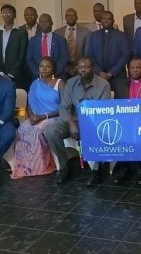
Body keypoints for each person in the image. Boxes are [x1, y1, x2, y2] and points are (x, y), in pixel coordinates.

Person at [43, 56, 111, 185]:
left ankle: (96, 171)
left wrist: (87, 126)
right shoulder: (71, 83)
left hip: (94, 122)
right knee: (51, 132)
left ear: (92, 68)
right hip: (73, 121)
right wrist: (71, 123)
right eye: (80, 67)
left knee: (99, 132)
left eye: (86, 67)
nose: (83, 70)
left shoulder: (104, 85)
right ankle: (64, 166)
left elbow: (104, 111)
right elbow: (64, 107)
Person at [11, 57, 63, 179]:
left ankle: (40, 166)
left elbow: (64, 107)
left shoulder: (59, 83)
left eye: (48, 66)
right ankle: (25, 165)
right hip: (36, 117)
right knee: (22, 129)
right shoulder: (35, 83)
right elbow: (29, 104)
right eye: (41, 66)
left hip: (54, 117)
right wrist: (32, 117)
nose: (44, 69)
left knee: (37, 131)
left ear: (53, 69)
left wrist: (43, 116)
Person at [112, 57, 141, 185]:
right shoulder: (120, 84)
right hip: (125, 121)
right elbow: (116, 107)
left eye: (138, 67)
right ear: (128, 69)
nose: (135, 70)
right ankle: (124, 169)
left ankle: (140, 171)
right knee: (121, 134)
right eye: (132, 67)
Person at [85, 11, 130, 90]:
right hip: (97, 76)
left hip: (117, 76)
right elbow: (89, 55)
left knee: (118, 100)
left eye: (109, 19)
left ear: (113, 21)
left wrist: (110, 73)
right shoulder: (93, 36)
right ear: (101, 21)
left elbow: (125, 56)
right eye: (104, 19)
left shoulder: (121, 36)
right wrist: (99, 72)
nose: (106, 21)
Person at [0, 4, 29, 90]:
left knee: (18, 98)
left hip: (17, 74)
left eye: (9, 13)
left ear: (14, 15)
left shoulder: (21, 32)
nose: (6, 15)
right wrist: (0, 72)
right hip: (0, 74)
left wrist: (11, 74)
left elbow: (22, 55)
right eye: (4, 13)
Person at [26, 13, 68, 80]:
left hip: (57, 76)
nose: (44, 24)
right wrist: (38, 73)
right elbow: (29, 59)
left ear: (52, 23)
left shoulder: (61, 40)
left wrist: (54, 73)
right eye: (41, 22)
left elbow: (64, 58)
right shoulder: (33, 40)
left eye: (46, 21)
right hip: (38, 77)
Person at [54, 8, 91, 79]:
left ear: (77, 17)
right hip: (62, 69)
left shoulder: (86, 32)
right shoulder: (57, 32)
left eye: (73, 15)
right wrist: (64, 68)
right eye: (68, 15)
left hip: (80, 69)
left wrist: (77, 67)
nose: (70, 17)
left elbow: (87, 52)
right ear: (65, 17)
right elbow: (57, 53)